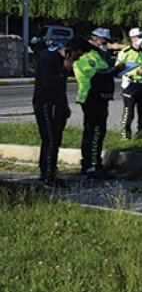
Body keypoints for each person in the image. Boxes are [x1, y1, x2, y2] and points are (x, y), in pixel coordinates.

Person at [32, 37, 89, 188]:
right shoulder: (49, 59)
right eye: (77, 55)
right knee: (50, 139)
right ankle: (48, 175)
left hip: (57, 105)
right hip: (45, 103)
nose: (77, 59)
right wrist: (65, 70)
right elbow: (49, 83)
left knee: (55, 140)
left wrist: (65, 106)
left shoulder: (61, 61)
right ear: (71, 51)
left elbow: (61, 88)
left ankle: (49, 172)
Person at [74, 29, 123, 179]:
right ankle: (92, 166)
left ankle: (93, 164)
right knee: (94, 132)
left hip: (100, 98)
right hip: (92, 97)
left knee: (98, 132)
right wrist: (116, 69)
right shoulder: (87, 55)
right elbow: (97, 75)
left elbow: (104, 70)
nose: (105, 45)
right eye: (104, 41)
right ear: (95, 39)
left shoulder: (97, 55)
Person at [116, 28, 142, 140]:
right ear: (132, 38)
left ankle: (141, 133)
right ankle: (125, 135)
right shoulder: (125, 52)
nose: (141, 39)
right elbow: (118, 69)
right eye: (139, 36)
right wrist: (134, 71)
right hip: (131, 85)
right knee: (129, 113)